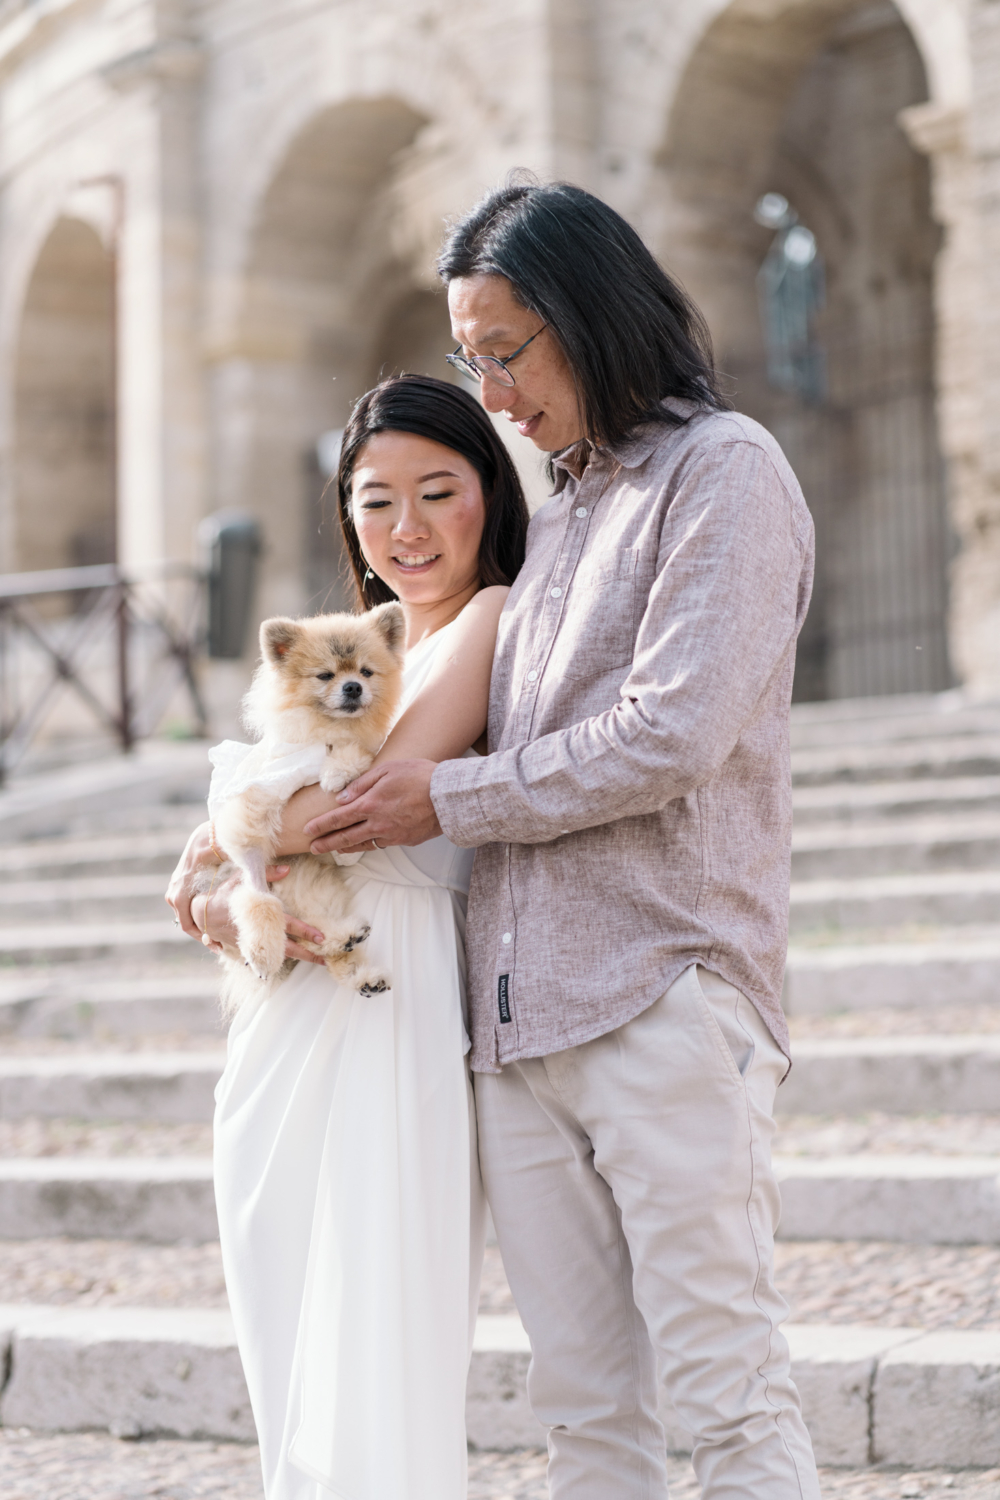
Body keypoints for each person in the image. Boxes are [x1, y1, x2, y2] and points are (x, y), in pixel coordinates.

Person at [305, 182, 824, 1498]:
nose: (491, 394)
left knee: (729, 1402)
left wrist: (452, 803)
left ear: (591, 313)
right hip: (518, 1041)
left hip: (666, 1000)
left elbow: (672, 735)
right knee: (589, 1424)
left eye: (506, 351)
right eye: (469, 359)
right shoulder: (561, 520)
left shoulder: (725, 472)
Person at [166, 374, 530, 1500]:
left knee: (381, 1327)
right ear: (347, 514)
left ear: (488, 496)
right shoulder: (335, 652)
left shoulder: (483, 620)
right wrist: (220, 884)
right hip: (282, 1022)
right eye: (377, 500)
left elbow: (349, 809)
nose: (405, 529)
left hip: (394, 1008)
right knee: (280, 1313)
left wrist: (222, 853)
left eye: (438, 491)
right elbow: (236, 859)